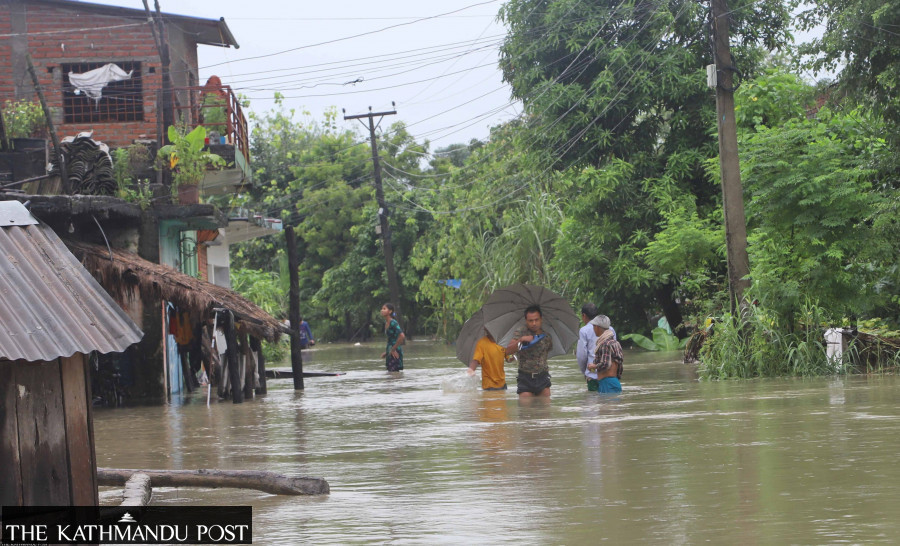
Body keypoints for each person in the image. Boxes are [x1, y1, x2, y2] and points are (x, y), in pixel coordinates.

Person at [506, 305, 553, 397]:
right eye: (530, 321)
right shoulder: (520, 332)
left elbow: (547, 352)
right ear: (526, 320)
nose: (534, 323)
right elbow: (508, 351)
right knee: (525, 410)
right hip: (525, 378)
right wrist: (521, 340)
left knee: (546, 410)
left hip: (543, 377)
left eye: (536, 320)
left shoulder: (547, 336)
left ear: (541, 319)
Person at [576, 303, 617, 391]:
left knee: (593, 402)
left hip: (593, 375)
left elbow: (581, 356)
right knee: (609, 402)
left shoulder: (583, 331)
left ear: (584, 315)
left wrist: (585, 371)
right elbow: (615, 354)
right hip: (609, 375)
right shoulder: (611, 329)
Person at [588, 315, 623, 393]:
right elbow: (620, 366)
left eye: (593, 327)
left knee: (606, 404)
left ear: (597, 327)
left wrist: (594, 366)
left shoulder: (605, 344)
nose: (593, 329)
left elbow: (605, 364)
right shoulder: (616, 343)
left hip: (607, 383)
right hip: (614, 382)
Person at [379, 303, 405, 371]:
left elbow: (402, 336)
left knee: (394, 375)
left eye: (384, 309)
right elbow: (391, 339)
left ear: (390, 311)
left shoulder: (393, 322)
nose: (382, 310)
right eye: (382, 309)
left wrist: (393, 349)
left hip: (395, 351)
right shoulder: (386, 322)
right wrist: (387, 352)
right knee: (391, 375)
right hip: (390, 350)